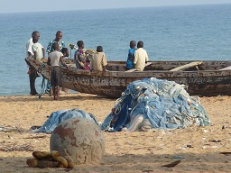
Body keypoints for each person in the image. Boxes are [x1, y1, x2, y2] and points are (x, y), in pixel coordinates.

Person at [26, 31, 45, 95]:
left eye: (39, 36)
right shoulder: (30, 42)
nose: (39, 37)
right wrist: (33, 61)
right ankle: (32, 91)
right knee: (32, 77)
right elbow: (29, 52)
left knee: (33, 76)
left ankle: (33, 91)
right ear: (33, 36)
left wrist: (43, 57)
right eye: (37, 36)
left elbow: (42, 49)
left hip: (36, 61)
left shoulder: (36, 43)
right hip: (32, 61)